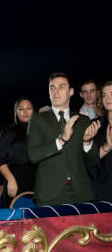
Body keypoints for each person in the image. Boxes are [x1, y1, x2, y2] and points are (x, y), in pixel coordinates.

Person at [27, 72, 101, 206]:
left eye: (61, 87)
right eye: (52, 88)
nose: (56, 91)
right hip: (49, 193)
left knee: (82, 228)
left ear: (71, 91)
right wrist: (61, 140)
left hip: (80, 192)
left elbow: (92, 161)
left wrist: (87, 142)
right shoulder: (38, 119)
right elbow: (33, 155)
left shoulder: (83, 120)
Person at [0, 96, 36, 208]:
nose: (25, 112)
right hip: (14, 182)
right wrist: (10, 179)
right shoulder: (9, 132)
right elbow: (0, 159)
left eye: (29, 108)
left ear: (33, 111)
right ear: (16, 112)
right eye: (21, 109)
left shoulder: (39, 132)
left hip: (37, 183)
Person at [88, 80, 112, 201]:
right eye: (104, 95)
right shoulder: (95, 125)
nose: (108, 98)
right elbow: (88, 160)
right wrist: (107, 147)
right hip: (101, 190)